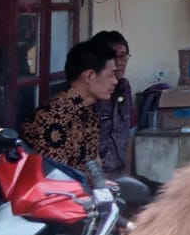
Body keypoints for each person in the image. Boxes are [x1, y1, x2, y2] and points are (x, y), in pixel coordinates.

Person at [21, 40, 118, 172]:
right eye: (111, 75)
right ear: (89, 76)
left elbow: (95, 164)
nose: (115, 81)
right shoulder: (53, 117)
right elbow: (54, 179)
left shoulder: (89, 110)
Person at [91, 30, 136, 176]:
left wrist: (127, 174)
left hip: (119, 171)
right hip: (96, 176)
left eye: (124, 56)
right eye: (114, 57)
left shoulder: (124, 87)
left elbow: (128, 133)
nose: (120, 62)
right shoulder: (91, 94)